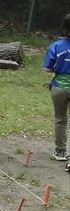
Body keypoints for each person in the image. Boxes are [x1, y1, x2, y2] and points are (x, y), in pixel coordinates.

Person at [44, 13, 70, 172]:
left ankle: (60, 151)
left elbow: (48, 68)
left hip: (59, 86)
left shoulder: (56, 46)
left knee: (60, 119)